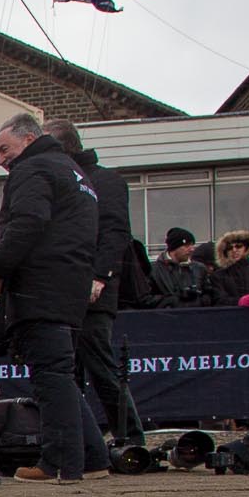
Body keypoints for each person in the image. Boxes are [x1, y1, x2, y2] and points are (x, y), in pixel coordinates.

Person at [0, 112, 104, 484]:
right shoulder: (74, 173)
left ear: (29, 140)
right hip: (69, 284)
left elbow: (26, 224)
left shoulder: (32, 171)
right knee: (62, 375)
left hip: (39, 285)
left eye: (4, 149)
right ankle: (94, 457)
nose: (1, 159)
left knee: (50, 376)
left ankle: (59, 464)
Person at [45, 119, 144, 447]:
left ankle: (130, 438)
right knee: (68, 369)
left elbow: (116, 231)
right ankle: (82, 441)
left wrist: (100, 276)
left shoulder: (106, 181)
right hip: (65, 288)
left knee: (99, 363)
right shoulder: (63, 181)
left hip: (93, 289)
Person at [206, 230, 249, 307]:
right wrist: (239, 301)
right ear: (225, 251)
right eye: (229, 248)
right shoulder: (218, 275)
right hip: (233, 316)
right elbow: (218, 299)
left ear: (246, 247)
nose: (234, 250)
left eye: (238, 246)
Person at [149, 227, 209, 307]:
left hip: (195, 316)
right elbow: (146, 299)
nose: (192, 249)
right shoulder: (153, 270)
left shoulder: (200, 268)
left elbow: (209, 293)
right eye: (187, 245)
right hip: (167, 317)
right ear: (174, 247)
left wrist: (201, 301)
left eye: (192, 245)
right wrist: (171, 301)